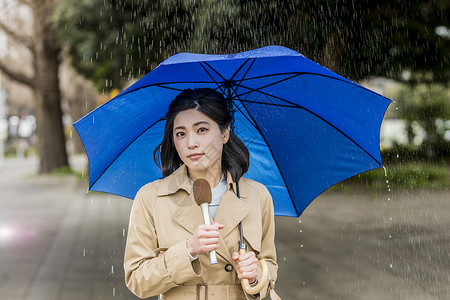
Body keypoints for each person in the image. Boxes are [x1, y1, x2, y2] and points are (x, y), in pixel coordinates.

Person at [124, 88, 279, 300]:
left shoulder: (257, 196)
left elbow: (269, 266)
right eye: (181, 133)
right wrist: (188, 250)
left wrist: (254, 276)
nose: (191, 143)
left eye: (202, 130)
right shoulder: (150, 198)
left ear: (225, 133)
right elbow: (137, 280)